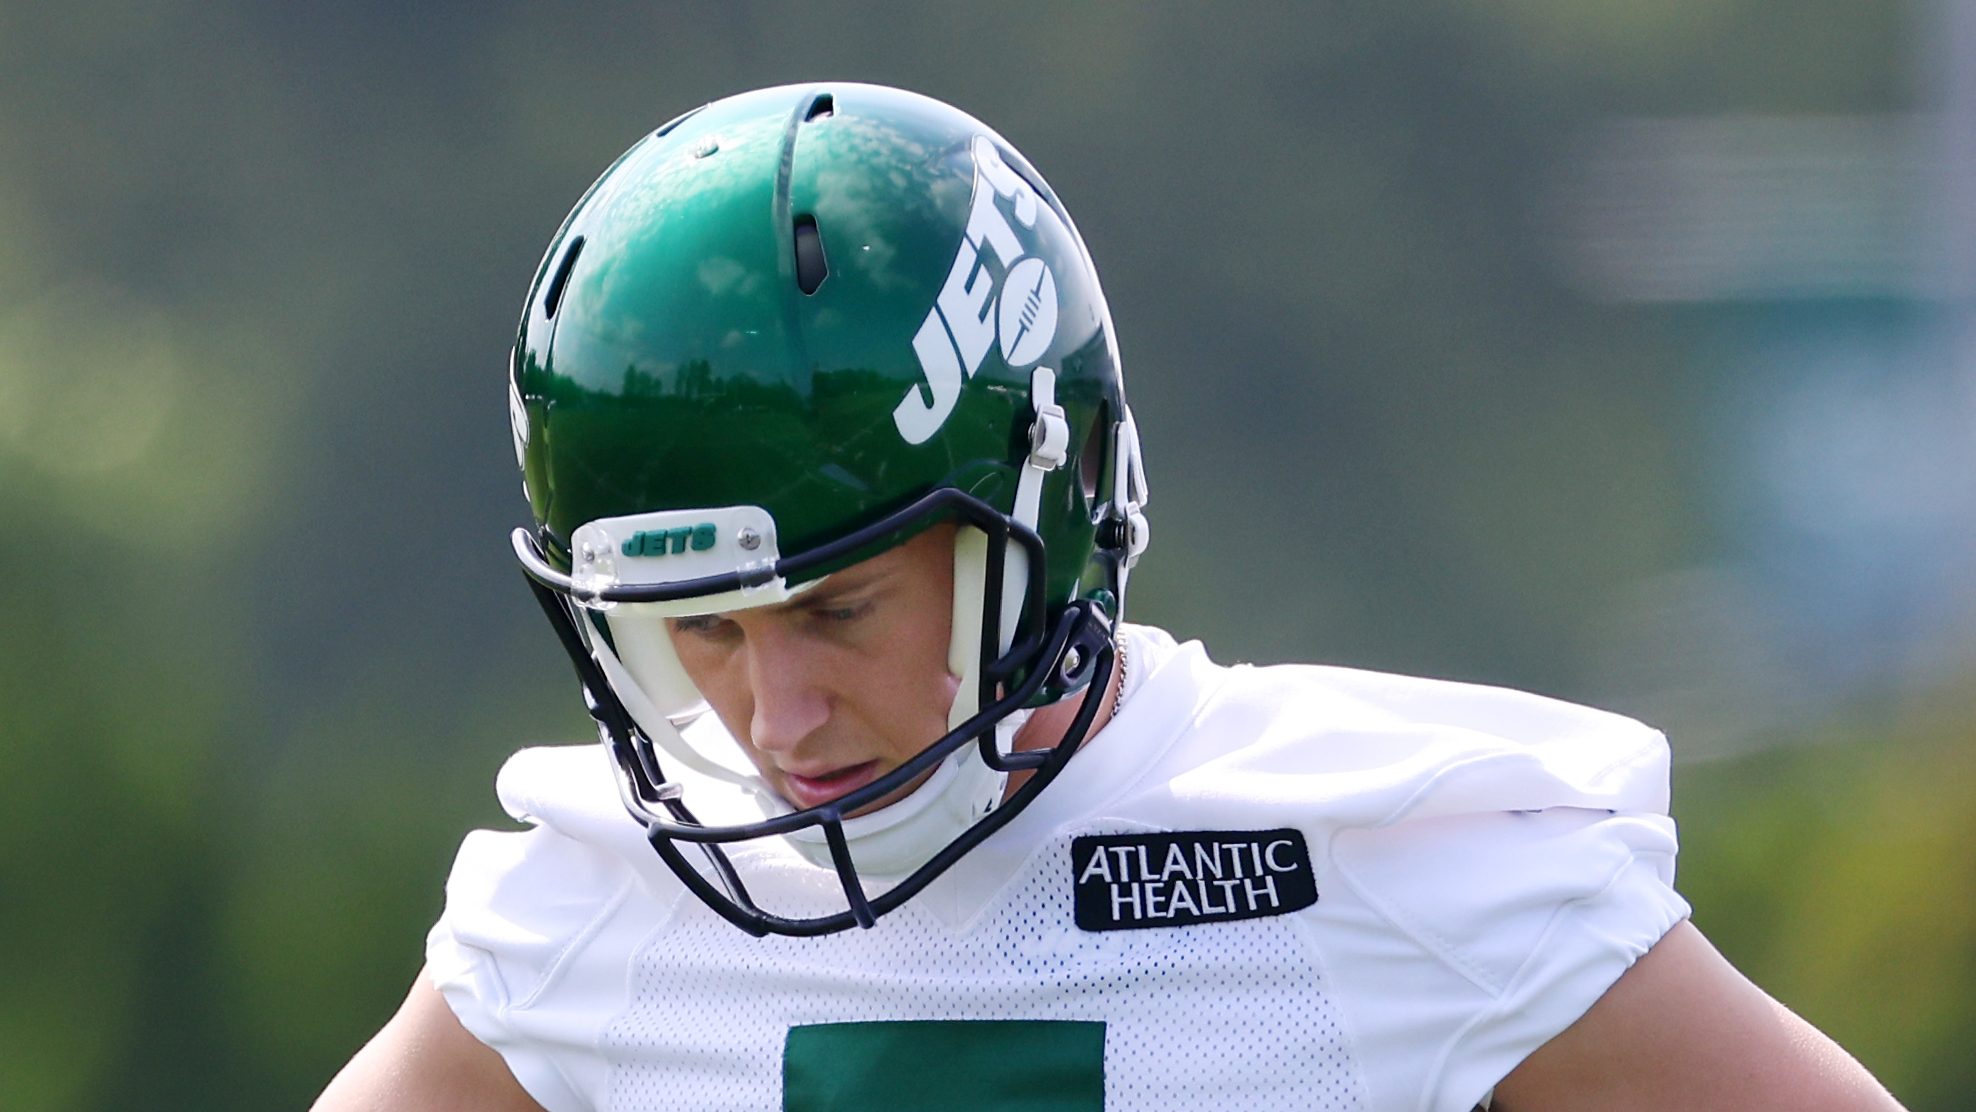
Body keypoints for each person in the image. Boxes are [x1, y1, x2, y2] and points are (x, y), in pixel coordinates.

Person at [314, 82, 1904, 1111]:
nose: (774, 715)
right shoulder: (590, 925)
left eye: (837, 610)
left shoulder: (1408, 870)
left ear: (1053, 504)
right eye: (707, 634)